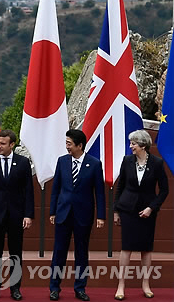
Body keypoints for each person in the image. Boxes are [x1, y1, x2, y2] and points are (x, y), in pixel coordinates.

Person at [48, 129, 106, 301]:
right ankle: (54, 288)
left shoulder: (94, 164)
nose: (67, 147)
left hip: (83, 215)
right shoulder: (62, 161)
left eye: (69, 144)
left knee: (81, 252)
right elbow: (56, 189)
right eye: (66, 143)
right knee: (59, 252)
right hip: (63, 213)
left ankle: (80, 288)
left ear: (79, 145)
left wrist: (101, 216)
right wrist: (52, 211)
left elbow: (100, 193)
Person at [113, 130, 168, 300]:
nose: (131, 147)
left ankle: (146, 284)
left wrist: (152, 208)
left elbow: (164, 190)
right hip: (127, 209)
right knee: (126, 247)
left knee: (146, 248)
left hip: (147, 211)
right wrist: (116, 211)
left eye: (133, 144)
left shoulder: (157, 163)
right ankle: (121, 285)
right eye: (131, 143)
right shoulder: (127, 161)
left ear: (143, 145)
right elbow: (120, 186)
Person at [0, 130, 34, 301]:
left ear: (12, 145)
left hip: (16, 216)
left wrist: (28, 215)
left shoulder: (23, 163)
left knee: (15, 253)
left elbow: (28, 192)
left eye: (2, 143)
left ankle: (15, 288)